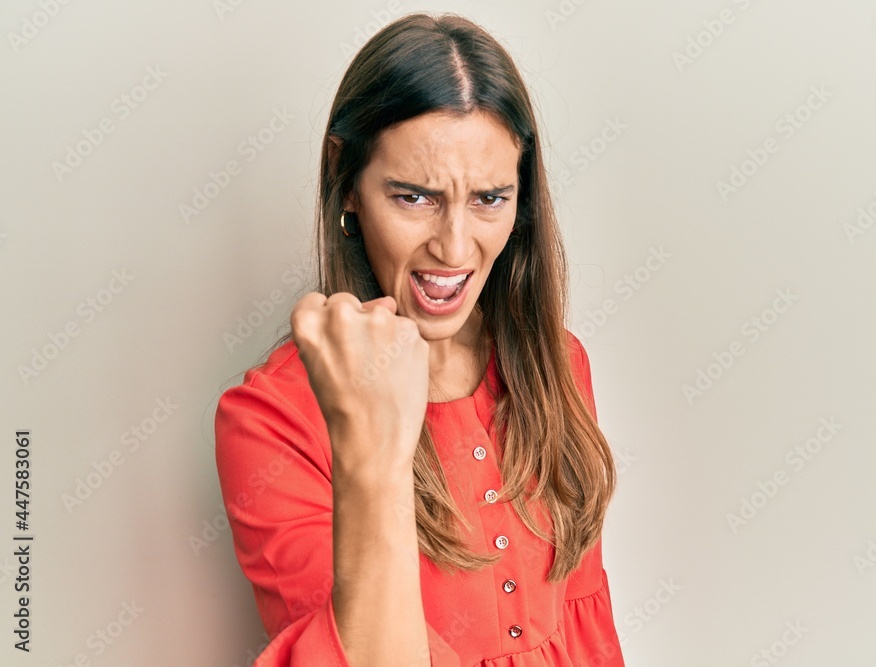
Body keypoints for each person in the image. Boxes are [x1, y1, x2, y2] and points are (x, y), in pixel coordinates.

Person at [214, 12, 625, 667]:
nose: (456, 247)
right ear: (346, 179)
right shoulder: (271, 420)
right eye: (414, 197)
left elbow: (587, 631)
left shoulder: (559, 365)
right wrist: (371, 444)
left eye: (489, 198)